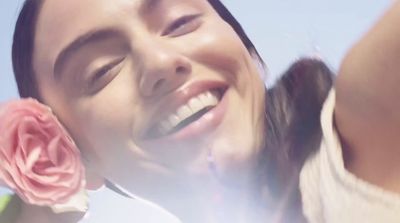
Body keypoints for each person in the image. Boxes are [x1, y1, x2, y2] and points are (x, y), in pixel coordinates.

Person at [7, 0, 400, 222]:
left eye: (181, 22)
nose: (160, 61)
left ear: (247, 52)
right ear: (73, 152)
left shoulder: (365, 120)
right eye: (101, 71)